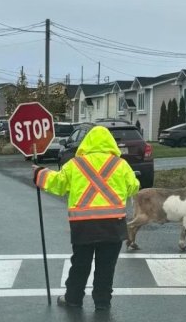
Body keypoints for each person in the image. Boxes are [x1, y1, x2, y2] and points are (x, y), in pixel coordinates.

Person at [33, 125, 140, 309]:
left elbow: (57, 184)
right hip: (113, 226)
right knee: (106, 266)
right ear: (111, 144)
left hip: (83, 226)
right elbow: (133, 187)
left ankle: (73, 299)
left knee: (80, 263)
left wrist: (39, 173)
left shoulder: (76, 164)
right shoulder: (120, 165)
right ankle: (102, 302)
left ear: (86, 143)